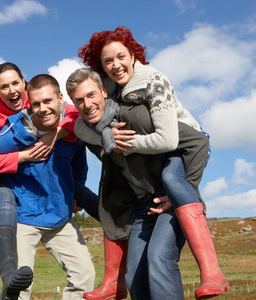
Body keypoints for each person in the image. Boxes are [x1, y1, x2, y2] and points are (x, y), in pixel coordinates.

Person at [75, 26, 229, 299]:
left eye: (121, 56)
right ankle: (117, 283)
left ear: (134, 55)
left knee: (160, 249)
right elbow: (81, 124)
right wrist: (106, 134)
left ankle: (212, 271)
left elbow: (169, 139)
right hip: (147, 190)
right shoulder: (106, 88)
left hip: (183, 147)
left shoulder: (154, 80)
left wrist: (124, 144)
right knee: (135, 272)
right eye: (107, 61)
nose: (115, 65)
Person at [0, 62, 86, 300]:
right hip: (19, 207)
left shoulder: (43, 102)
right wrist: (25, 155)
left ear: (25, 84)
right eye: (4, 87)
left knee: (84, 276)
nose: (11, 90)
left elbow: (76, 118)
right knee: (19, 285)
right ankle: (8, 274)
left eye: (15, 83)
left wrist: (56, 133)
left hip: (56, 210)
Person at [67, 68, 188, 299]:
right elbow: (79, 129)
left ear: (104, 92)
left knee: (158, 258)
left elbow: (194, 142)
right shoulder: (91, 131)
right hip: (143, 204)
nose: (87, 103)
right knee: (134, 276)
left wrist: (180, 192)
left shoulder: (134, 114)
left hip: (170, 196)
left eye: (91, 95)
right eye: (79, 100)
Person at [0, 74, 96, 300]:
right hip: (23, 216)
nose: (42, 109)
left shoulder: (73, 130)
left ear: (60, 99)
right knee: (18, 286)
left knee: (85, 277)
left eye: (48, 101)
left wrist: (75, 194)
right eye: (36, 103)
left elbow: (79, 164)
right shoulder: (12, 136)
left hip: (59, 214)